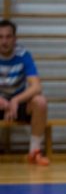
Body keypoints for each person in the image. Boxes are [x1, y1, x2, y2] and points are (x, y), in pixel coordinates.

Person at [0, 19, 50, 166]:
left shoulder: (23, 55)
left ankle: (34, 152)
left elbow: (36, 86)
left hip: (18, 104)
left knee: (40, 102)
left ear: (15, 38)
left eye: (8, 36)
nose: (4, 41)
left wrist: (15, 100)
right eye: (0, 37)